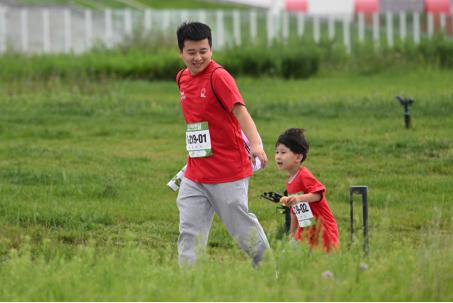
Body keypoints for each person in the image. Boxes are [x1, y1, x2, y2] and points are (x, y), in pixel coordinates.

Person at [174, 22, 270, 266]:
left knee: (242, 230)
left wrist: (257, 145)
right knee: (189, 230)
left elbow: (241, 112)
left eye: (203, 51)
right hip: (195, 172)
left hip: (228, 172)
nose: (198, 58)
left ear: (211, 49)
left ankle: (270, 271)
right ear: (181, 53)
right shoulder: (182, 78)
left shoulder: (219, 77)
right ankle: (189, 285)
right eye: (191, 52)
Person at [275, 128, 339, 252]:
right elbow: (295, 211)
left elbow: (318, 195)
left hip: (323, 229)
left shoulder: (304, 175)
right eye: (277, 152)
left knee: (322, 264)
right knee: (288, 258)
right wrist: (292, 234)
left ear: (298, 157)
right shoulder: (289, 181)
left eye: (283, 152)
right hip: (306, 231)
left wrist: (299, 198)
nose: (278, 156)